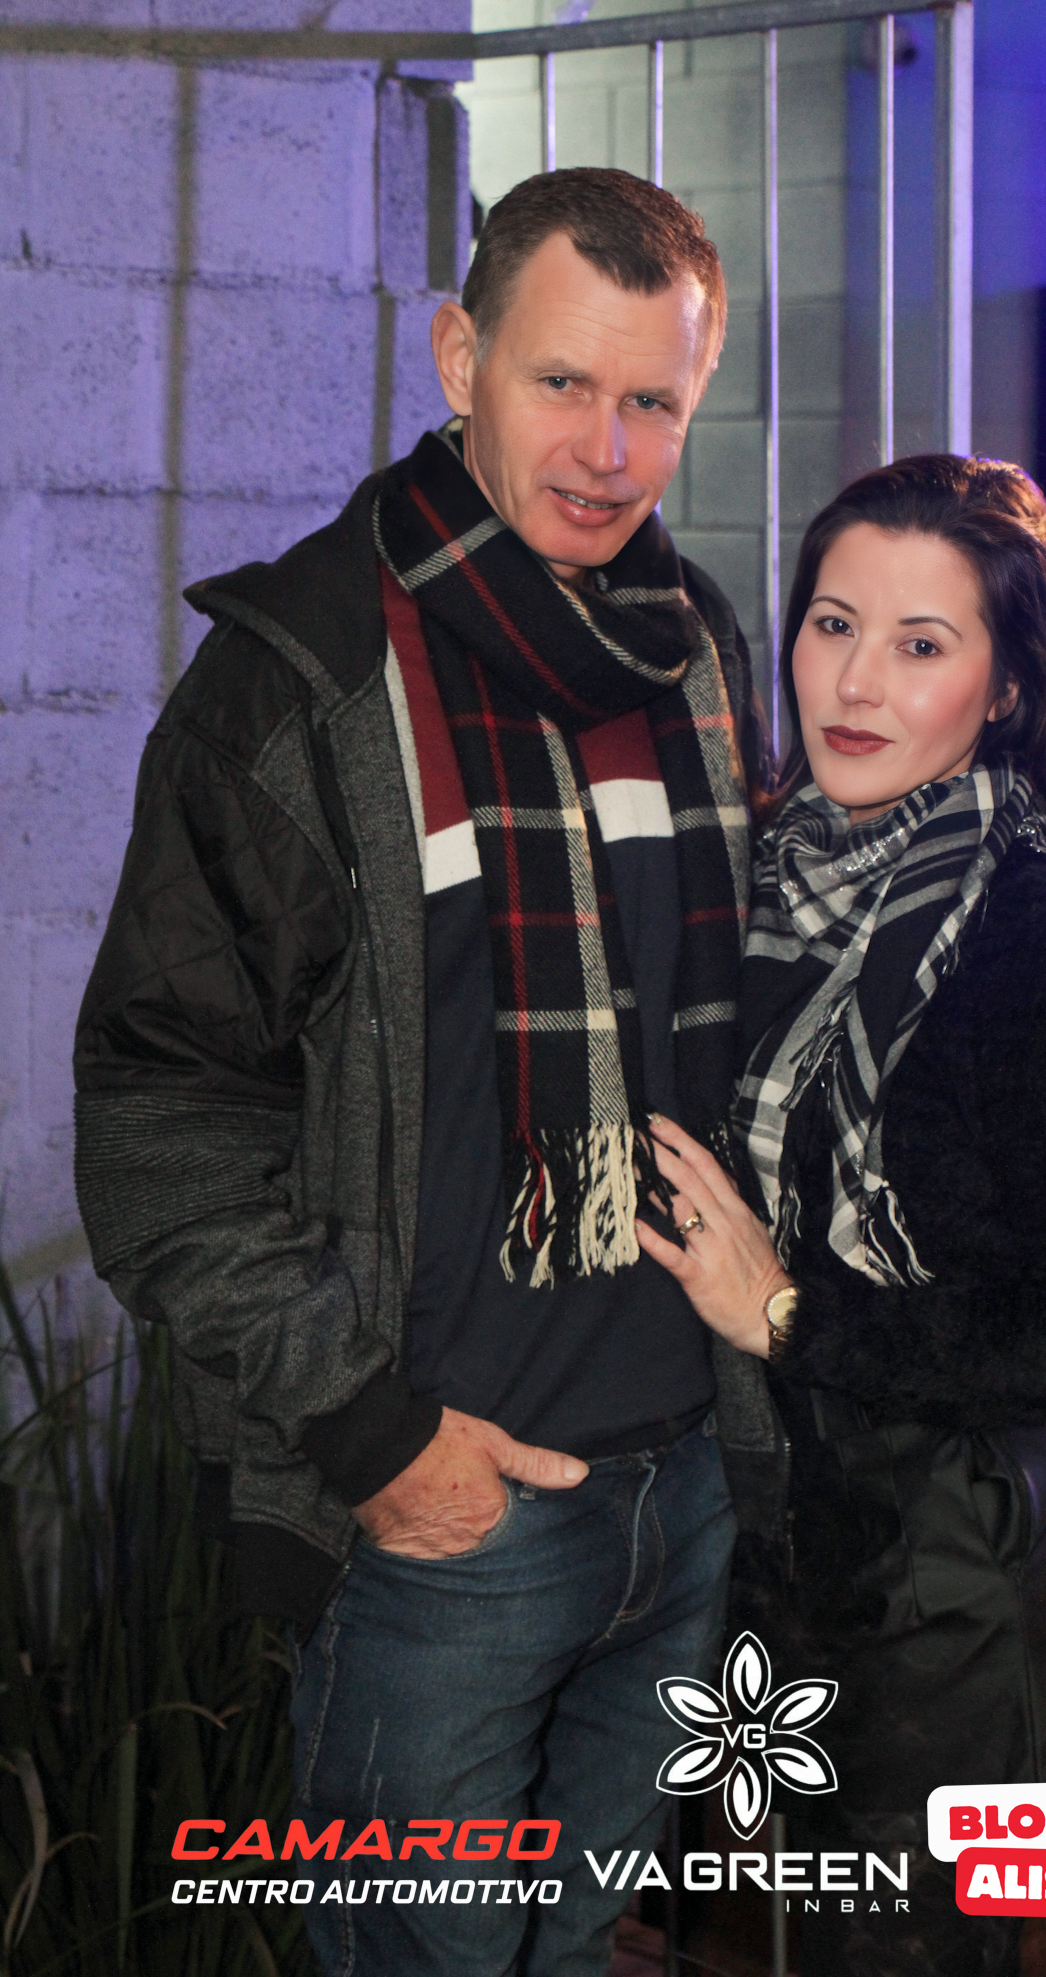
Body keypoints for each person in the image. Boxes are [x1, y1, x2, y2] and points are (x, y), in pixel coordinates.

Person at [73, 168, 769, 1975]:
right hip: (449, 1523)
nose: (605, 450)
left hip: (684, 1490)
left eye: (652, 401)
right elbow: (159, 1127)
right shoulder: (297, 681)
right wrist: (378, 1444)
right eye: (561, 382)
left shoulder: (695, 651)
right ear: (461, 358)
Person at [637, 455, 1046, 1977]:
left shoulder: (1036, 922)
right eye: (833, 624)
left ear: (1005, 690)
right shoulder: (758, 872)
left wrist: (788, 1312)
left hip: (970, 1567)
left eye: (920, 643)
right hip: (790, 1547)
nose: (857, 682)